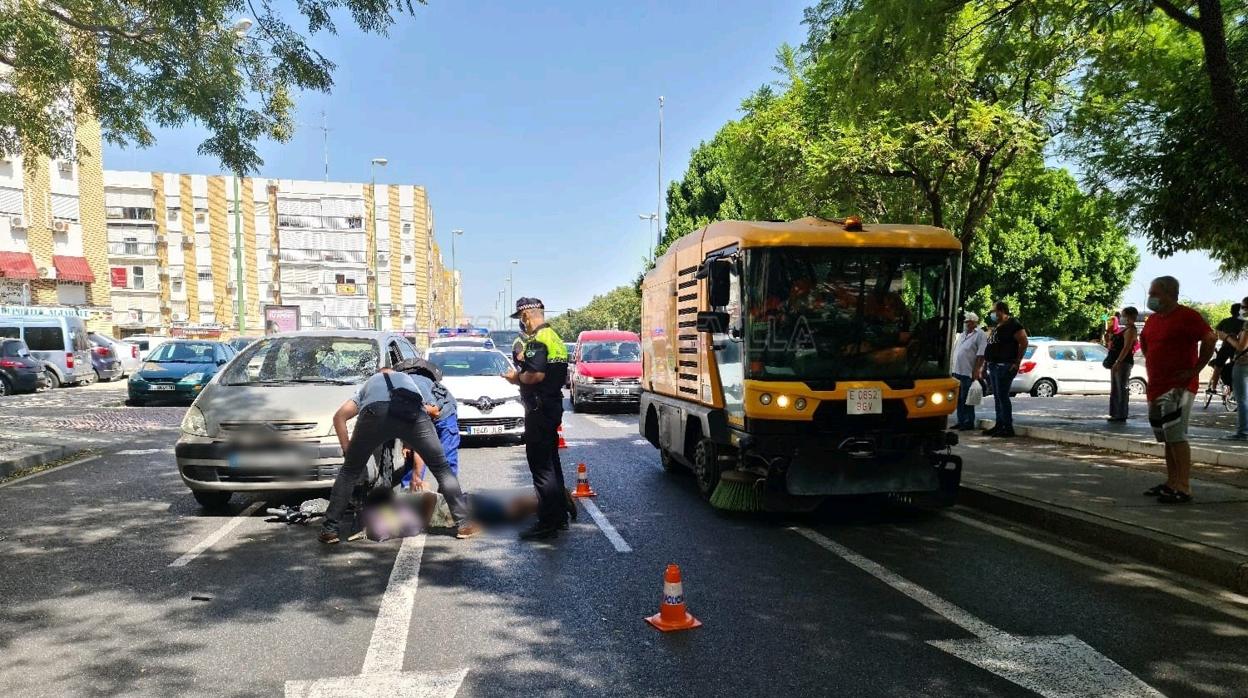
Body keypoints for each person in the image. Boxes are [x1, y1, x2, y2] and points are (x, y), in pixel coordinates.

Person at [319, 365, 480, 543]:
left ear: (378, 374)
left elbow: (339, 416)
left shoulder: (369, 384)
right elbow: (428, 412)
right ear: (395, 373)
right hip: (411, 412)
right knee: (442, 468)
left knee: (349, 472)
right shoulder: (408, 381)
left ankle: (330, 529)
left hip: (373, 413)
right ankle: (464, 524)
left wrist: (347, 448)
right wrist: (416, 462)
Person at [1138, 276, 1217, 504]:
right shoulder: (1153, 320)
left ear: (1170, 294)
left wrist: (1196, 369)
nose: (1151, 297)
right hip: (1156, 386)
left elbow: (1210, 338)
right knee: (1166, 437)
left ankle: (1184, 486)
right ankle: (1172, 482)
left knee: (1176, 435)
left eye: (1154, 293)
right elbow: (1145, 343)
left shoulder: (1187, 316)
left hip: (1178, 388)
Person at [503, 297, 570, 540]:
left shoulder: (537, 341)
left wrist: (515, 378)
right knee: (552, 464)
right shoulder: (556, 338)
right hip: (551, 407)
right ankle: (559, 516)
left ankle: (547, 521)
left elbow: (535, 375)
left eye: (521, 318)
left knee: (541, 467)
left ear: (526, 316)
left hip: (539, 410)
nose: (521, 324)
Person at [982, 301, 1028, 438]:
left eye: (994, 311)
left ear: (1001, 311)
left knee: (1003, 397)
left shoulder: (1013, 324)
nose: (992, 314)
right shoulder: (998, 326)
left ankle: (1007, 427)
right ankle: (999, 424)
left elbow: (1024, 342)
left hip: (1005, 366)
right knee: (997, 397)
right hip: (994, 365)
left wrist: (1017, 361)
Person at [951, 311, 987, 431]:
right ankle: (960, 421)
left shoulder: (980, 334)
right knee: (959, 399)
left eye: (968, 322)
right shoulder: (962, 334)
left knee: (967, 398)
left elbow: (981, 354)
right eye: (965, 322)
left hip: (968, 371)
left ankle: (968, 421)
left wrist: (977, 370)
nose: (966, 324)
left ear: (974, 322)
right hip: (957, 371)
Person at [1219, 296, 1248, 441]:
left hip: (1243, 364)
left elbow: (1241, 346)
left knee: (1242, 399)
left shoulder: (1247, 325)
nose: (1241, 310)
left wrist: (1226, 337)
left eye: (1243, 307)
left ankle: (1243, 432)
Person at [1107, 306, 1140, 423]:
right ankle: (1115, 413)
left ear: (1129, 316)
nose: (1121, 317)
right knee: (1116, 388)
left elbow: (1126, 347)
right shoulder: (1125, 329)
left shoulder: (1131, 330)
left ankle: (1121, 414)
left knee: (1121, 388)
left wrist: (1118, 362)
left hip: (1123, 362)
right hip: (1119, 361)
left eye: (1123, 315)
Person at [1208, 302, 1244, 394]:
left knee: (1218, 367)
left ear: (1231, 311)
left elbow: (1216, 335)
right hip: (1239, 350)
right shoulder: (1244, 323)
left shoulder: (1224, 322)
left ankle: (1213, 388)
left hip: (1226, 348)